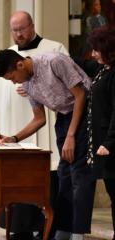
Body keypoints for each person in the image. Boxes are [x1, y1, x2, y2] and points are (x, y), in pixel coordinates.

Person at [0, 11, 68, 239]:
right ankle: (17, 229)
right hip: (12, 127)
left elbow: (69, 87)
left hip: (42, 128)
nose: (18, 34)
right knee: (14, 180)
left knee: (44, 179)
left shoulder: (54, 49)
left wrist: (35, 89)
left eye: (22, 29)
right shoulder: (6, 56)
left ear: (32, 25)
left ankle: (44, 229)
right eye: (14, 30)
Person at [0, 49, 95, 240]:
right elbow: (39, 119)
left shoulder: (54, 61)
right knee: (64, 175)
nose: (14, 82)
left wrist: (71, 136)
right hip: (64, 118)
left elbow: (81, 95)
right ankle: (63, 231)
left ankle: (78, 234)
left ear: (20, 64)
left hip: (85, 112)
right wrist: (14, 138)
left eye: (12, 77)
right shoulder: (28, 83)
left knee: (79, 176)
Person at [76, 26, 115, 240]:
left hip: (111, 147)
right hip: (104, 147)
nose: (93, 54)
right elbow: (84, 64)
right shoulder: (103, 69)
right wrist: (58, 55)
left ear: (107, 49)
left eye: (96, 49)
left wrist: (109, 142)